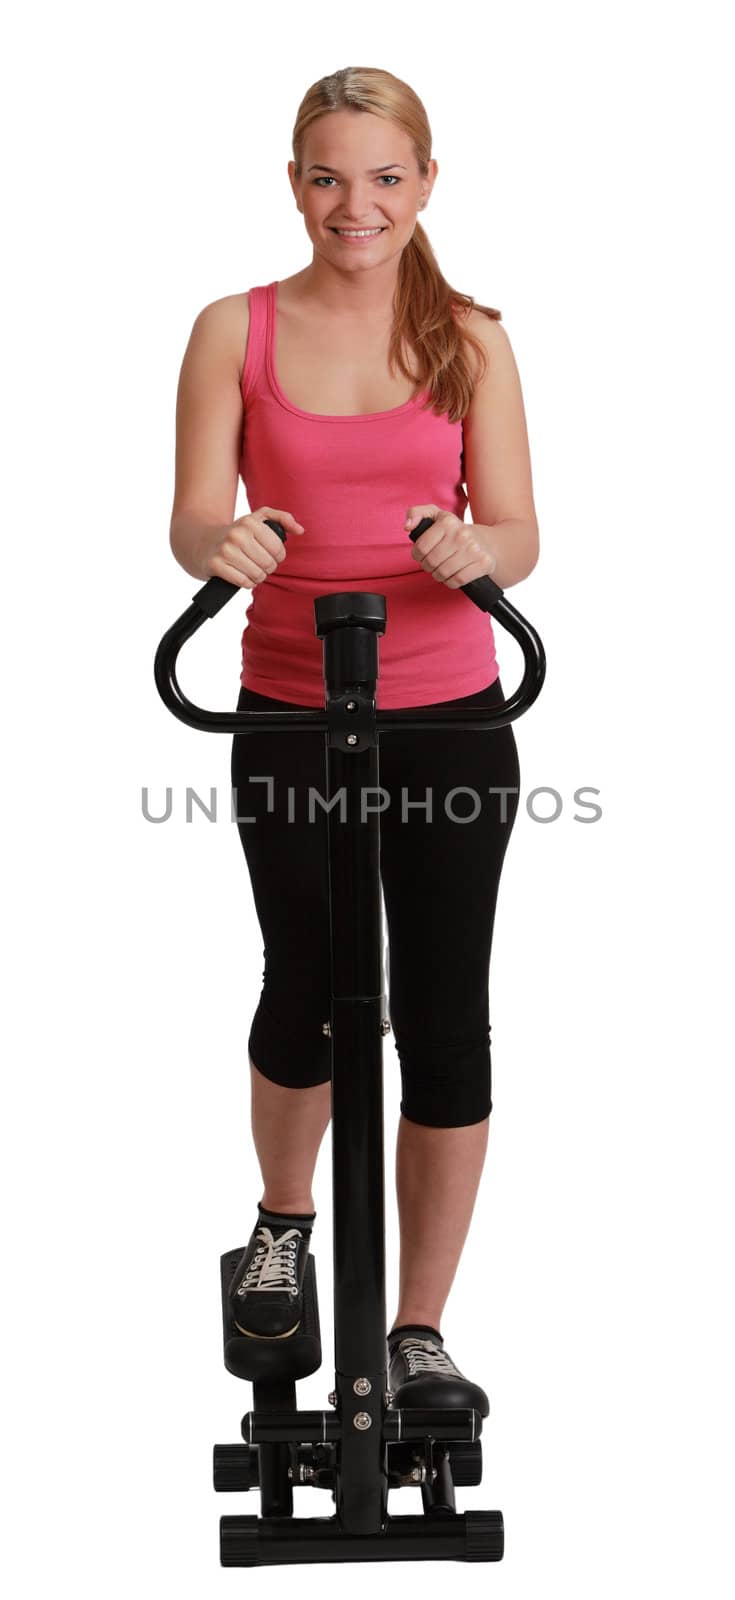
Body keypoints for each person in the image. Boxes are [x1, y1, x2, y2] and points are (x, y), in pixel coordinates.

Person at [169, 66, 539, 1412]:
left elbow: (521, 533)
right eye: (330, 175)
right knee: (310, 985)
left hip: (449, 714)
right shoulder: (234, 331)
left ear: (426, 184)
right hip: (287, 709)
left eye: (386, 177)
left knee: (444, 1021)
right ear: (294, 183)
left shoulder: (474, 340)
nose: (357, 203)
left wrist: (472, 547)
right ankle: (282, 1228)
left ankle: (418, 1333)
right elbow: (193, 516)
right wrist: (226, 541)